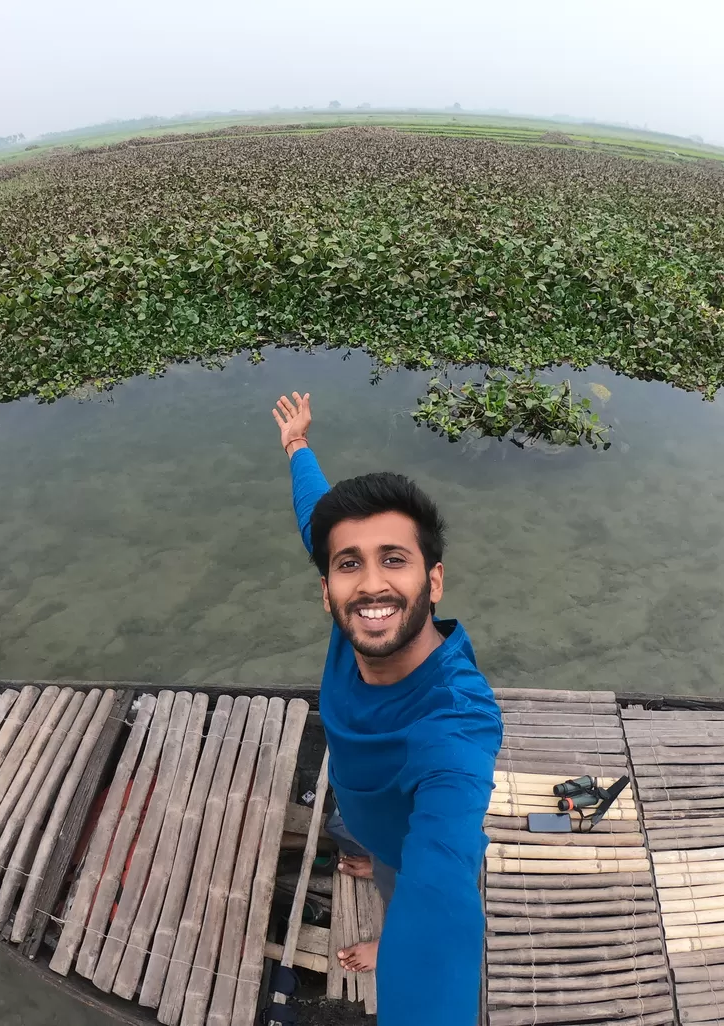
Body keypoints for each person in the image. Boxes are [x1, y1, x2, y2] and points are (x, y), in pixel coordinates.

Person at [271, 391, 502, 1026]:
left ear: (434, 580)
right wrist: (297, 445)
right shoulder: (356, 627)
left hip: (410, 844)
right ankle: (371, 858)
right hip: (363, 802)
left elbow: (442, 894)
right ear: (327, 591)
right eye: (351, 566)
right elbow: (313, 514)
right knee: (369, 852)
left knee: (405, 891)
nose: (371, 584)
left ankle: (385, 941)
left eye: (394, 560)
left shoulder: (455, 719)